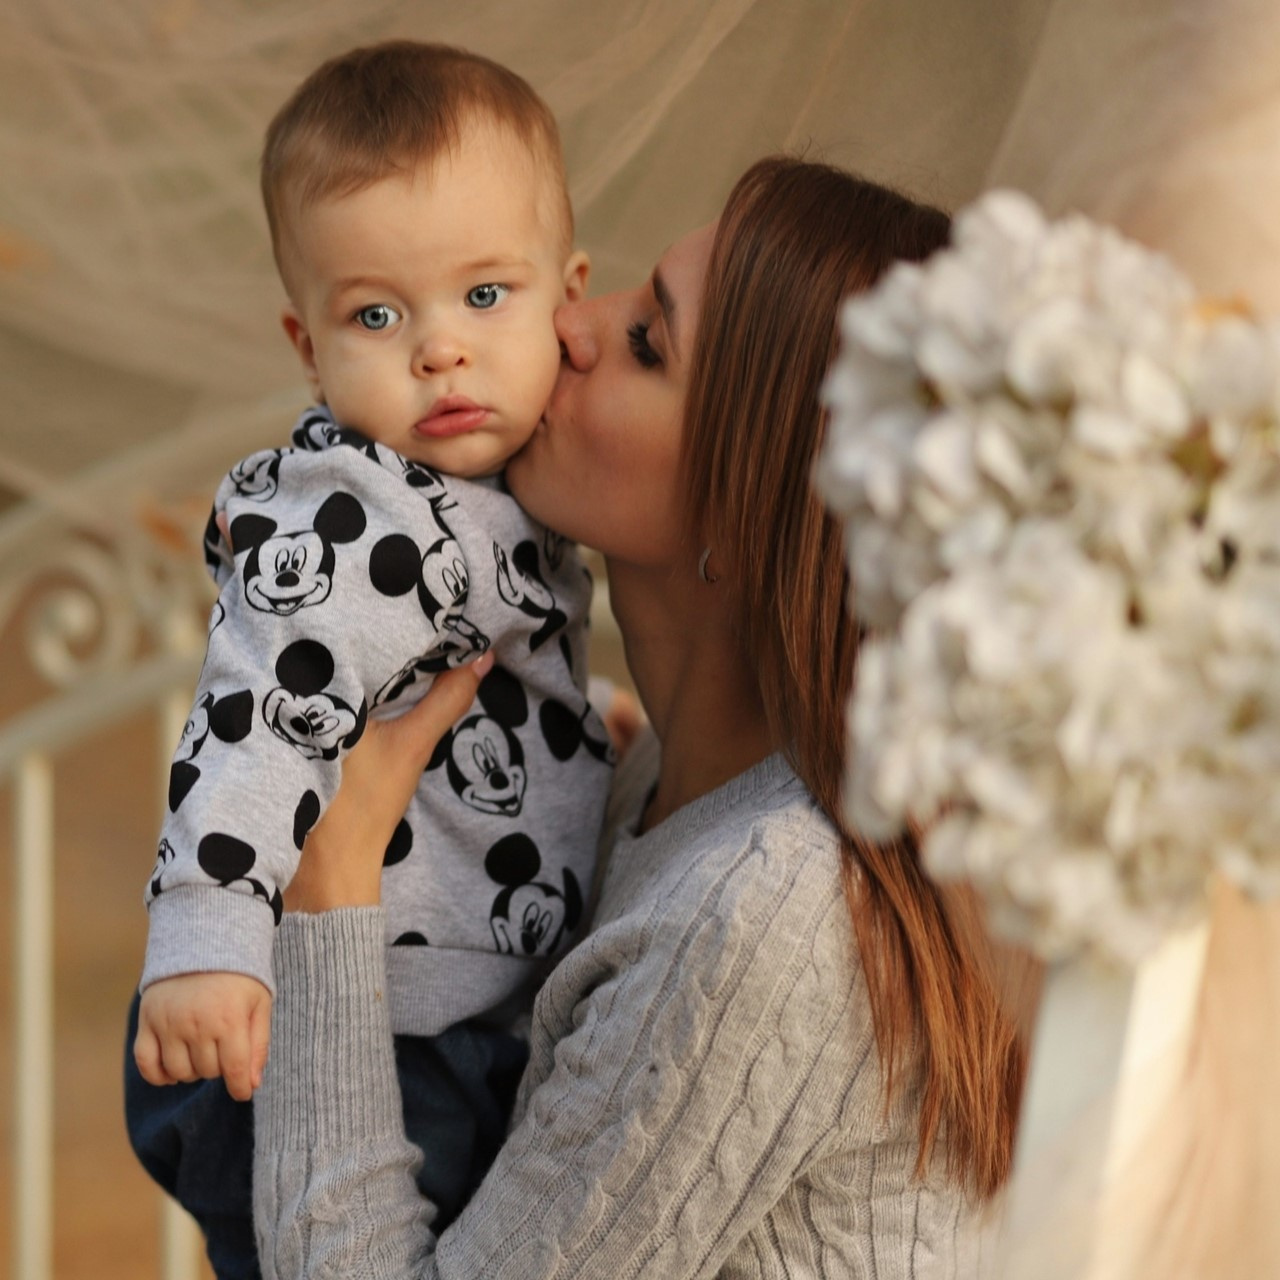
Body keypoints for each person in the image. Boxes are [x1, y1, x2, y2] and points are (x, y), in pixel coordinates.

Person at [249, 155, 1032, 1278]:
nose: (570, 322)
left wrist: (328, 888)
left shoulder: (767, 907)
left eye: (648, 343)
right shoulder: (666, 776)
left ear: (750, 508)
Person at [124, 40, 612, 1278]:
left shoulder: (515, 496)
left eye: (484, 295)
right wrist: (206, 934)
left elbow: (465, 684)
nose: (438, 349)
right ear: (307, 344)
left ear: (571, 290)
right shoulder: (353, 518)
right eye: (377, 315)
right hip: (327, 1028)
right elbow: (258, 713)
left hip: (444, 1004)